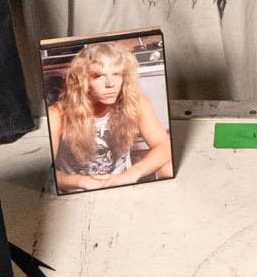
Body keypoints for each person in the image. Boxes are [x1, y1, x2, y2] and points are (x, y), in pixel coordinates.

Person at [46, 39, 172, 191]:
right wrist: (82, 182)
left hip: (122, 184)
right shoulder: (57, 114)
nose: (111, 83)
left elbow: (164, 146)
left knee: (170, 168)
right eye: (99, 75)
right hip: (79, 192)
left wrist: (130, 175)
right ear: (83, 80)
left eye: (117, 74)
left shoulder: (135, 102)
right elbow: (44, 172)